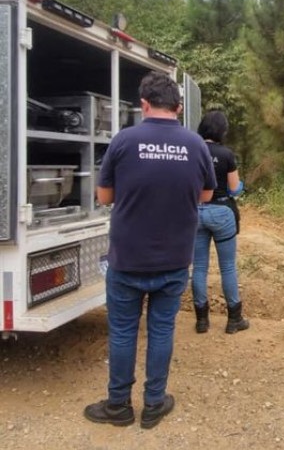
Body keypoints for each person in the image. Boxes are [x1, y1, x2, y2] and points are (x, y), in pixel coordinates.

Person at [84, 72, 216, 429]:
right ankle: (154, 404)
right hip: (174, 258)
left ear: (144, 104)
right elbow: (206, 195)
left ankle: (118, 407)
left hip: (128, 258)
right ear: (178, 106)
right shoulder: (196, 145)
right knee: (161, 331)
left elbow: (104, 197)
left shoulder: (125, 140)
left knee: (124, 332)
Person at [191, 110, 249, 335]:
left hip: (195, 212)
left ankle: (202, 321)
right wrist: (239, 185)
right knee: (227, 267)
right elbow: (234, 189)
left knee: (199, 267)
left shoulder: (192, 150)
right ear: (222, 131)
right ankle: (234, 319)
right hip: (222, 212)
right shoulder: (226, 154)